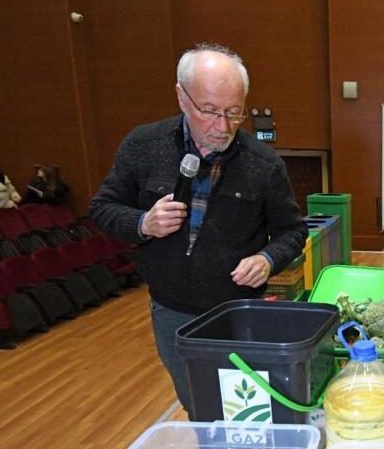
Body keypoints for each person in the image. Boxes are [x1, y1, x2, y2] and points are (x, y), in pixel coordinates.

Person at [90, 43, 308, 417]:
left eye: (233, 113)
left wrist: (267, 258)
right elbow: (101, 209)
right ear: (181, 96)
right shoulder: (144, 146)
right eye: (208, 111)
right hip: (172, 312)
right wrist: (143, 223)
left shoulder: (263, 164)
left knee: (249, 410)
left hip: (240, 312)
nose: (221, 127)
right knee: (201, 408)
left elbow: (293, 230)